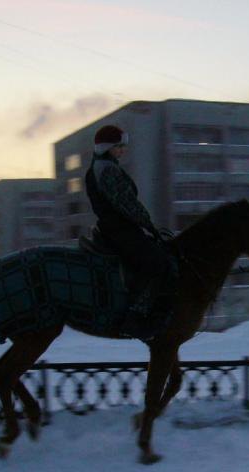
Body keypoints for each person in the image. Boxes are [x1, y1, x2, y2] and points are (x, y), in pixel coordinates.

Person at [84, 125, 175, 341]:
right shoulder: (107, 169)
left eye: (124, 146)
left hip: (115, 228)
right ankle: (135, 316)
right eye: (119, 146)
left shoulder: (99, 167)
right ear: (107, 147)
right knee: (157, 263)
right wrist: (148, 223)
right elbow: (127, 203)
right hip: (120, 230)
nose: (123, 150)